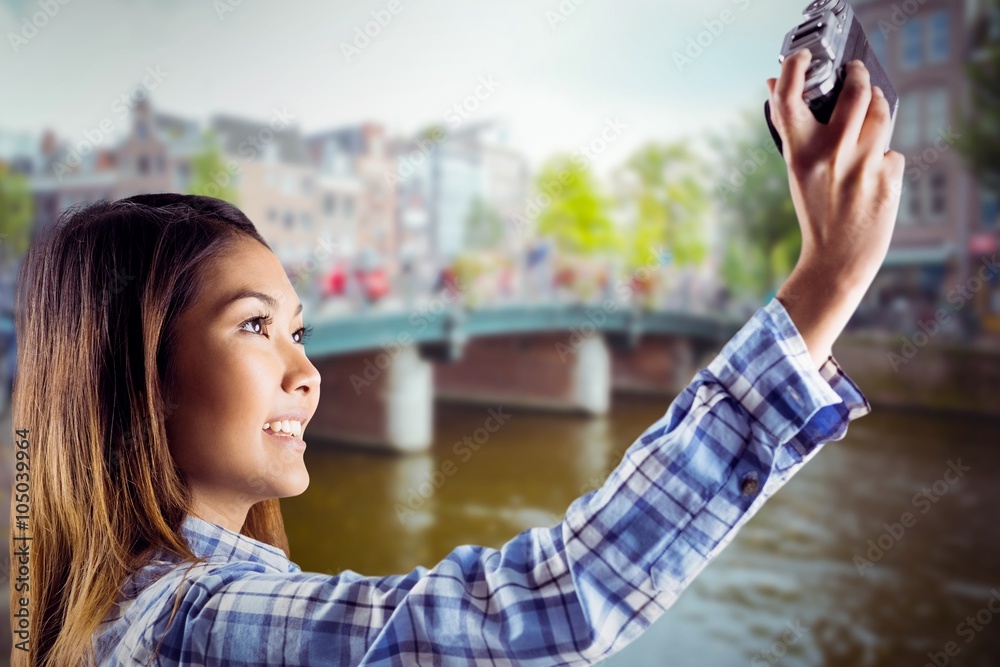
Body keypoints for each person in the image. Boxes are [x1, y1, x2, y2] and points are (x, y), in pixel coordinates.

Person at [8, 49, 903, 666]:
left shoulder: (98, 602)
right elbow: (554, 603)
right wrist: (823, 284)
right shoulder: (193, 625)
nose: (308, 372)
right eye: (253, 325)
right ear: (141, 375)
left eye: (301, 329)